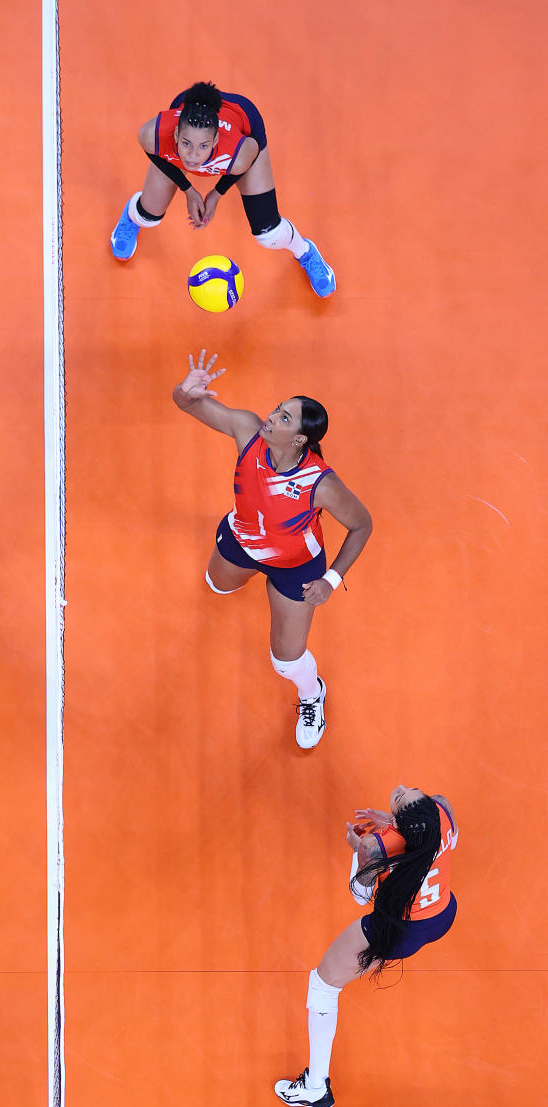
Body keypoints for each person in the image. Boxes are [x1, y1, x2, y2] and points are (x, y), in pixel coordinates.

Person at [173, 351, 372, 749]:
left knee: (284, 661)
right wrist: (187, 392)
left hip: (295, 568)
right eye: (278, 409)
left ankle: (311, 693)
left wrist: (331, 579)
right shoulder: (246, 429)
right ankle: (239, 574)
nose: (271, 416)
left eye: (284, 418)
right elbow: (188, 406)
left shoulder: (321, 483)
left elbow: (362, 524)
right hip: (242, 543)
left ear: (299, 439)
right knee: (216, 585)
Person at [275, 787, 459, 1107]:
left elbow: (360, 894)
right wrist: (397, 824)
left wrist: (357, 849)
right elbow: (436, 839)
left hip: (400, 931)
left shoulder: (375, 848)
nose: (402, 788)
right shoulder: (442, 812)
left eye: (404, 797)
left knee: (322, 985)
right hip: (441, 915)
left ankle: (316, 1087)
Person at [110, 81, 336, 298]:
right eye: (186, 144)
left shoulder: (237, 155)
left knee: (269, 233)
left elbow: (247, 160)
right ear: (177, 135)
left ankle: (305, 252)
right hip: (193, 123)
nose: (193, 156)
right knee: (149, 213)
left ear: (216, 139)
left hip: (246, 128)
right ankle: (131, 216)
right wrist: (188, 189)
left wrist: (216, 194)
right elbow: (153, 151)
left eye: (203, 147)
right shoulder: (152, 134)